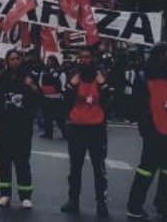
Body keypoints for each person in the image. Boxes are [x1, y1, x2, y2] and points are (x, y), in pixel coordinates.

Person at [126, 45, 167, 221]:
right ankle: (138, 205)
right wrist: (146, 129)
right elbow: (139, 105)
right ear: (161, 55)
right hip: (155, 131)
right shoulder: (145, 76)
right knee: (148, 168)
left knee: (165, 170)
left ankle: (161, 205)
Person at [61, 45, 109, 216]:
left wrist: (103, 85)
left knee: (99, 168)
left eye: (87, 57)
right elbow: (65, 101)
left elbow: (110, 102)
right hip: (77, 128)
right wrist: (71, 86)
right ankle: (73, 200)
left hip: (96, 129)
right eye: (81, 57)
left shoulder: (101, 77)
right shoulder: (72, 76)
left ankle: (101, 202)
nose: (84, 60)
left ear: (93, 58)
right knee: (75, 168)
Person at [0, 48, 39, 209]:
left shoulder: (29, 77)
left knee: (22, 161)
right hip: (3, 126)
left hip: (22, 127)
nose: (15, 61)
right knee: (4, 161)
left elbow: (39, 98)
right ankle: (5, 194)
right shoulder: (0, 78)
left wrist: (31, 86)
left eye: (17, 58)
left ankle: (25, 195)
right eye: (12, 59)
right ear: (7, 61)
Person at [38, 55, 66, 139]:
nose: (49, 62)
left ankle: (65, 133)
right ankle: (48, 133)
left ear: (55, 61)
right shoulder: (44, 71)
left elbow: (63, 82)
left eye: (51, 61)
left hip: (56, 97)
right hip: (46, 97)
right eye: (48, 61)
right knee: (47, 117)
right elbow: (40, 82)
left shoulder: (60, 72)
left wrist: (60, 90)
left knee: (59, 117)